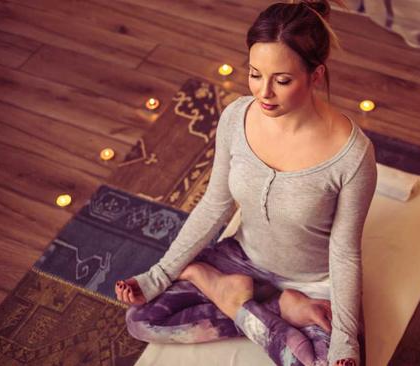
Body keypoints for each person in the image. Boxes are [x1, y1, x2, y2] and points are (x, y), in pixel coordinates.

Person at [114, 1, 377, 365]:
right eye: (255, 74)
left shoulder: (353, 156)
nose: (263, 92)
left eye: (282, 80)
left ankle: (250, 299)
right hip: (240, 260)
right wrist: (160, 275)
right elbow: (214, 204)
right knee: (142, 320)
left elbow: (345, 251)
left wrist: (345, 341)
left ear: (316, 75)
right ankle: (261, 301)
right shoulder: (236, 117)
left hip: (313, 283)